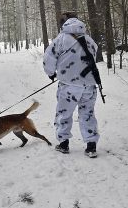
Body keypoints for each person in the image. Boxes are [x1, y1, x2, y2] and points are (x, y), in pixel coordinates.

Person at [43, 12, 100, 158]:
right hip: (89, 85)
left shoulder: (61, 39)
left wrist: (51, 73)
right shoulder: (89, 39)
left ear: (63, 24)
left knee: (64, 114)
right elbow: (94, 54)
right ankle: (91, 146)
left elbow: (48, 58)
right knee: (87, 114)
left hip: (69, 87)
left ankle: (63, 143)